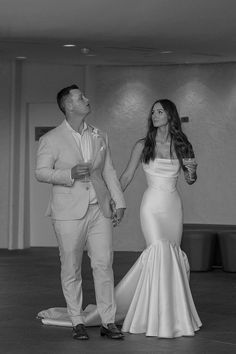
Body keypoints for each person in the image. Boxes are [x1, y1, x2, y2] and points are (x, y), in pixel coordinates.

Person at [35, 84, 126, 340]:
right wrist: (69, 174)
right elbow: (40, 172)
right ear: (68, 105)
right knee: (71, 266)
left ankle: (109, 322)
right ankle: (77, 320)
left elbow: (109, 171)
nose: (86, 99)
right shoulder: (51, 139)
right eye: (80, 97)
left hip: (100, 209)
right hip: (67, 211)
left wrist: (118, 202)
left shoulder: (99, 135)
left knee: (103, 264)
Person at [116, 98, 202, 337]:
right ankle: (149, 316)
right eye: (152, 112)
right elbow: (126, 176)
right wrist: (113, 199)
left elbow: (190, 179)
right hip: (152, 206)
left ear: (170, 116)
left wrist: (193, 172)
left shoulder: (183, 145)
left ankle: (173, 315)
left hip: (173, 206)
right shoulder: (143, 145)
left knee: (172, 255)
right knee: (157, 251)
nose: (154, 115)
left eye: (159, 111)